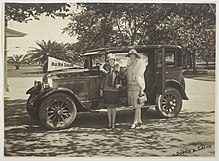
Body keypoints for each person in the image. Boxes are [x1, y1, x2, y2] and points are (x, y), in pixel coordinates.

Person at [126, 49, 146, 129]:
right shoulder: (129, 64)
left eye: (133, 55)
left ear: (135, 56)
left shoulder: (139, 64)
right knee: (135, 104)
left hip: (137, 85)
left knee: (137, 104)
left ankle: (134, 122)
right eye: (130, 55)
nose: (131, 56)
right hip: (130, 85)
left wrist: (141, 88)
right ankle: (139, 120)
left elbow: (139, 76)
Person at [100, 53, 121, 129]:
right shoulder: (105, 70)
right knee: (108, 108)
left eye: (112, 60)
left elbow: (121, 78)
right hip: (106, 90)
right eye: (110, 60)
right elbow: (103, 80)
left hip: (114, 90)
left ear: (114, 61)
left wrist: (119, 85)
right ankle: (109, 122)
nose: (111, 62)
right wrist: (101, 89)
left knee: (114, 108)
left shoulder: (117, 69)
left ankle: (113, 122)